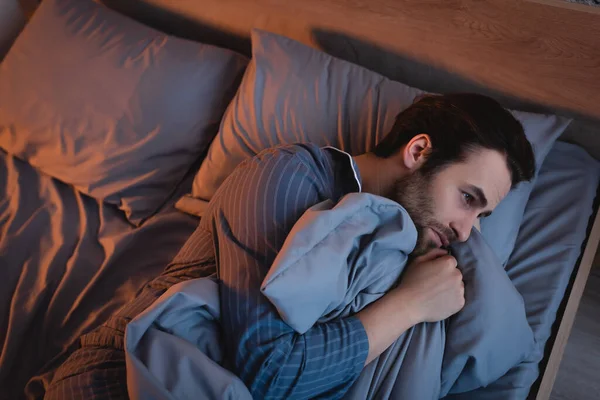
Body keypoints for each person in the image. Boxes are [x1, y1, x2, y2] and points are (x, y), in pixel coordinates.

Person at [46, 93, 535, 399]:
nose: (467, 231)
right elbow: (270, 371)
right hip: (121, 378)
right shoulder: (289, 175)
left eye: (482, 216)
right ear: (418, 151)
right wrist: (408, 307)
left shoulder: (405, 244)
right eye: (467, 200)